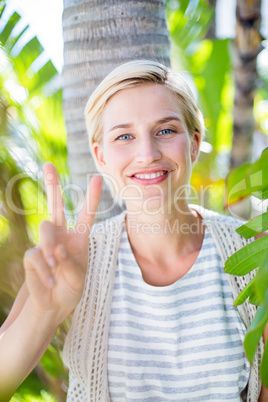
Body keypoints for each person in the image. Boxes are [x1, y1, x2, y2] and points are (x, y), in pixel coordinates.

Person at [0, 60, 267, 402]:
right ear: (101, 156)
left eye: (166, 130)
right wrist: (44, 310)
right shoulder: (74, 261)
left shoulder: (252, 252)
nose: (147, 153)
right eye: (124, 136)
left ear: (194, 143)